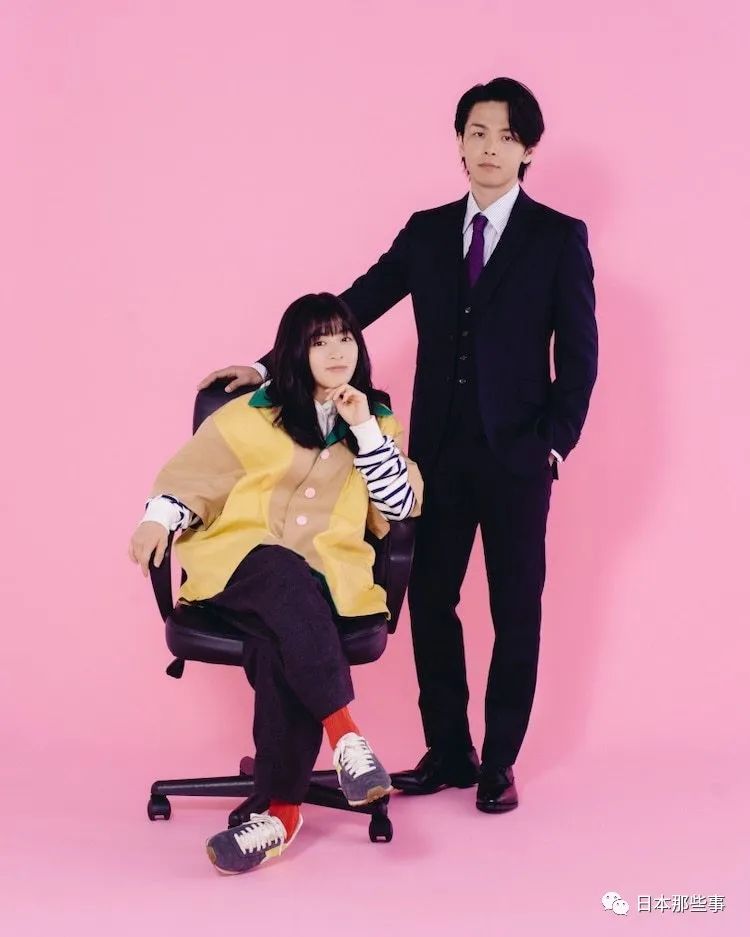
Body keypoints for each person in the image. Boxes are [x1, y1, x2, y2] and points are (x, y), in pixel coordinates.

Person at [198, 77, 598, 814]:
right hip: (437, 455)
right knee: (430, 601)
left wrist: (554, 445)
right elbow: (352, 306)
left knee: (516, 608)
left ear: (529, 151)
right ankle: (448, 750)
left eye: (507, 136)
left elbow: (579, 358)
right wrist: (265, 365)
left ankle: (499, 761)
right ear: (459, 144)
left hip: (516, 458)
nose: (490, 148)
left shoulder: (557, 237)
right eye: (477, 133)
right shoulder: (427, 231)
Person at [129, 292, 423, 873]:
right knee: (282, 572)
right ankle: (345, 736)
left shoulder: (376, 420)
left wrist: (364, 430)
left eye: (345, 337)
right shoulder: (248, 414)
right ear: (296, 351)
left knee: (278, 642)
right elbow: (193, 479)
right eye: (320, 341)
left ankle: (277, 815)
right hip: (239, 569)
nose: (337, 351)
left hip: (326, 584)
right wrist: (157, 519)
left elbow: (397, 507)